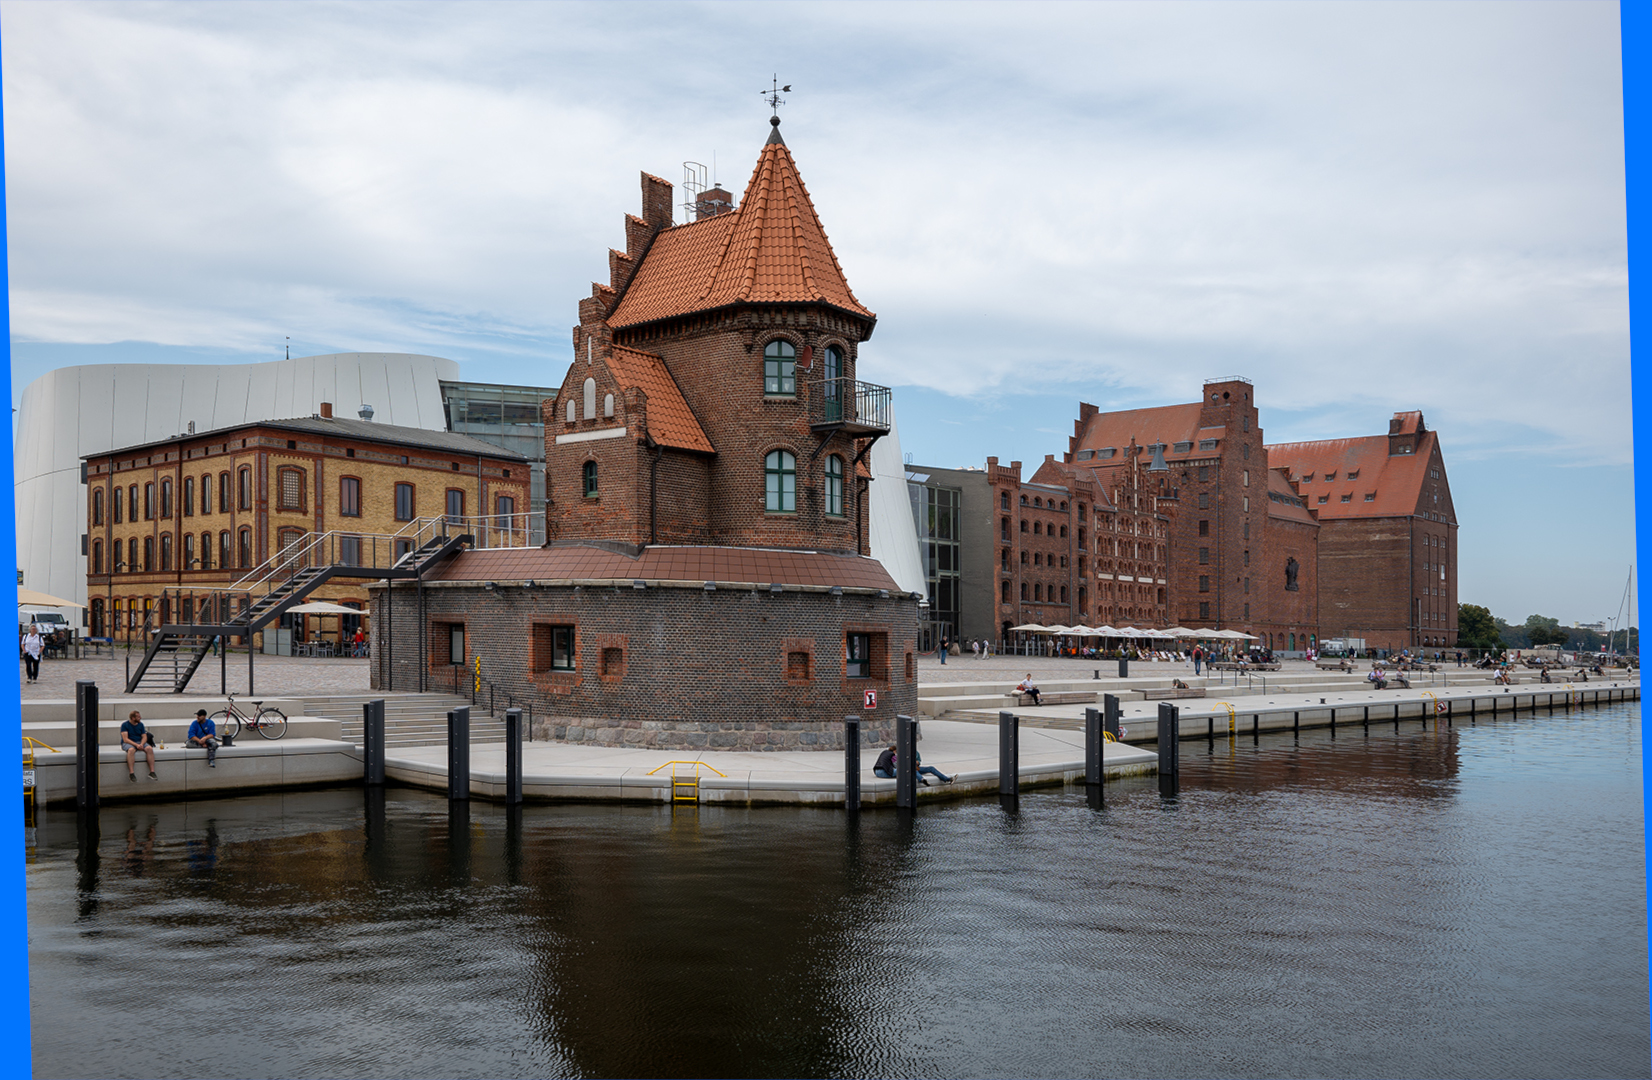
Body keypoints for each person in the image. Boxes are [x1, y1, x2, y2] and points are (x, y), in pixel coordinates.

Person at [121, 710, 157, 781]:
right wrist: (136, 745)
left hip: (139, 742)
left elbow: (144, 736)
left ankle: (152, 772)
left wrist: (141, 744)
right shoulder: (125, 725)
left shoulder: (141, 725)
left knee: (149, 748)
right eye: (138, 717)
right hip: (129, 743)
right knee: (131, 750)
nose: (140, 718)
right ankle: (131, 773)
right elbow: (125, 739)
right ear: (133, 718)